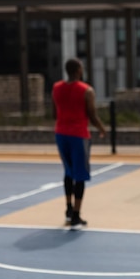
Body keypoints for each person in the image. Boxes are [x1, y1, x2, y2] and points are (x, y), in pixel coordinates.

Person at [52, 58, 107, 229]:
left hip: (61, 133)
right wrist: (102, 128)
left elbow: (55, 111)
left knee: (68, 172)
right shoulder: (86, 90)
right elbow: (91, 114)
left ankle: (68, 208)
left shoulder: (56, 88)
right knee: (80, 174)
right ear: (78, 70)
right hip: (78, 135)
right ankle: (76, 214)